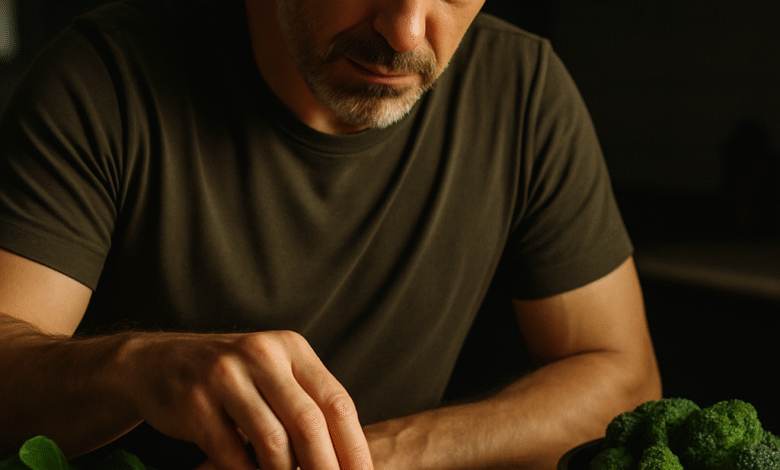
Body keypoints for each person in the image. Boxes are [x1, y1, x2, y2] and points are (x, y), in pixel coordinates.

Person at [0, 0, 662, 469]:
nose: (405, 31)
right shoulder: (102, 78)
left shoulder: (525, 90)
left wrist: (364, 456)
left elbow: (623, 380)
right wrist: (135, 369)